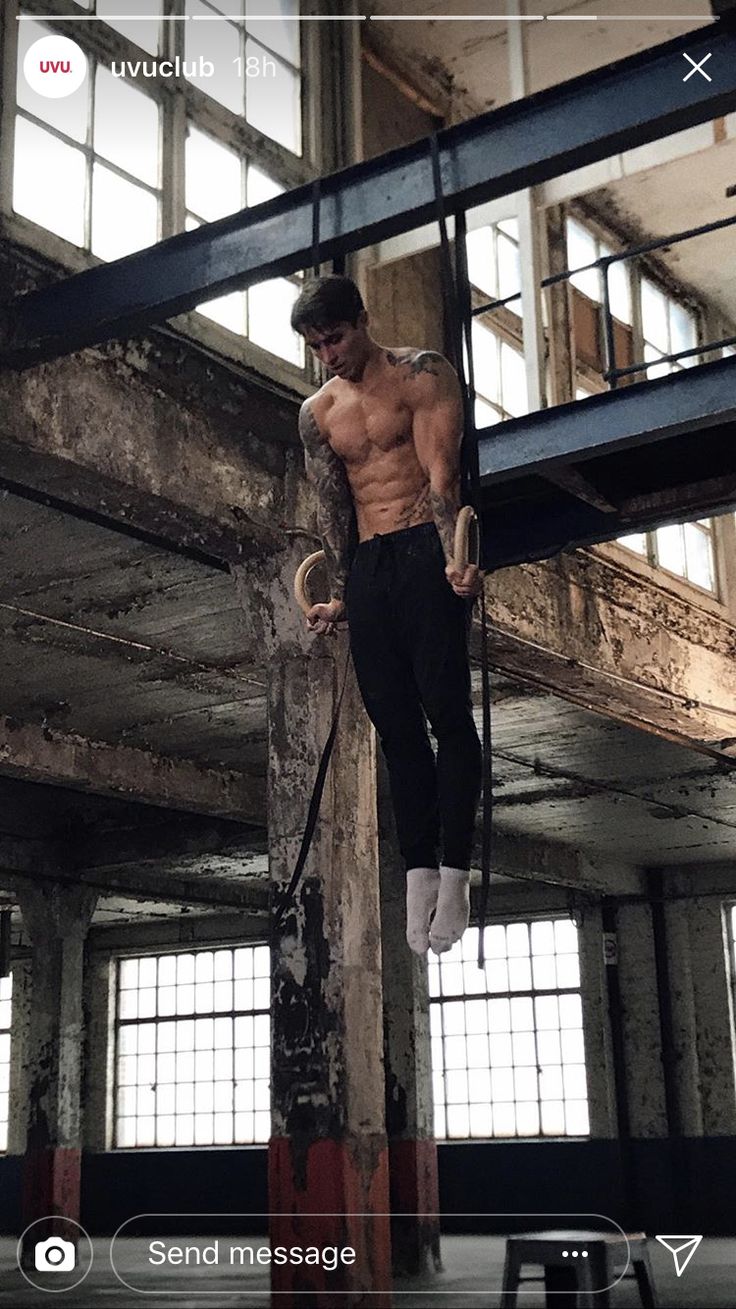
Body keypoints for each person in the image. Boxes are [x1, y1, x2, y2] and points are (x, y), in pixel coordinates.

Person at [291, 274, 482, 956]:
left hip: (424, 551)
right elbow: (334, 506)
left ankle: (456, 872)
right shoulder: (318, 413)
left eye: (336, 338)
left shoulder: (422, 375)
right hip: (370, 566)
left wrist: (456, 559)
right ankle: (420, 875)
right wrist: (341, 587)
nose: (330, 355)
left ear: (362, 320)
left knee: (447, 715)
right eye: (317, 347)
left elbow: (442, 477)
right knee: (396, 731)